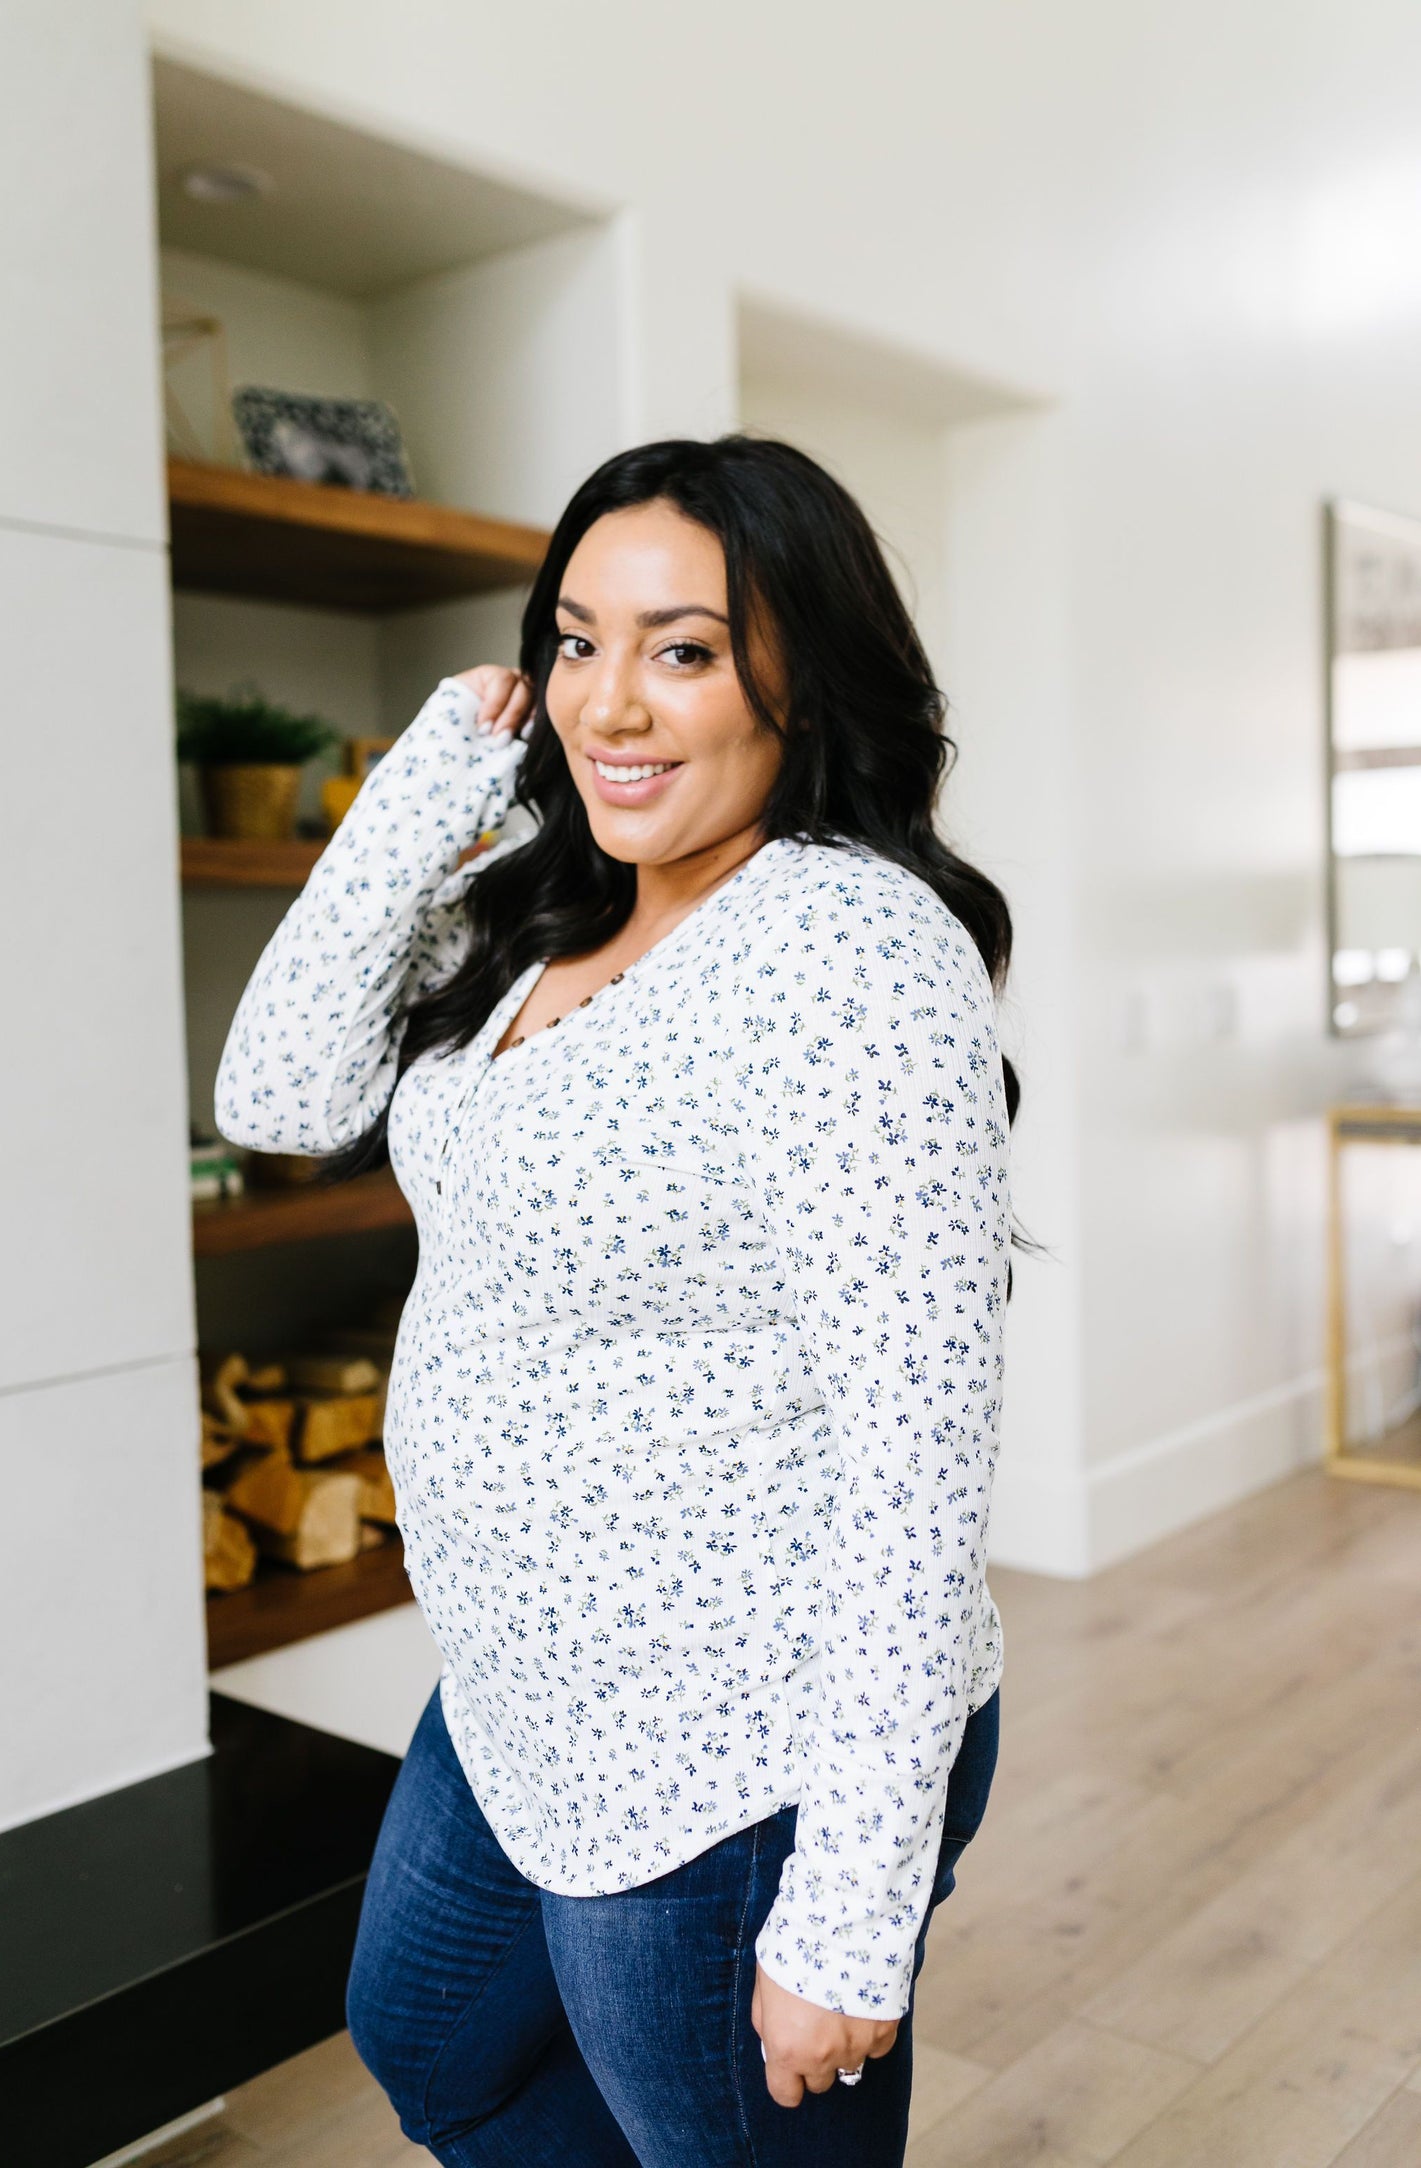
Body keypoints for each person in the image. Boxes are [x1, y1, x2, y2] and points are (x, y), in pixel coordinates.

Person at [215, 434, 1014, 2167]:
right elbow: (275, 1099)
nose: (612, 707)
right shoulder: (537, 912)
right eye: (576, 642)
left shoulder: (847, 950)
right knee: (431, 2037)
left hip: (733, 1740)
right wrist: (442, 776)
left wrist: (848, 1909)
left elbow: (919, 1449)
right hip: (520, 1683)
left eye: (684, 648)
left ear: (806, 673)